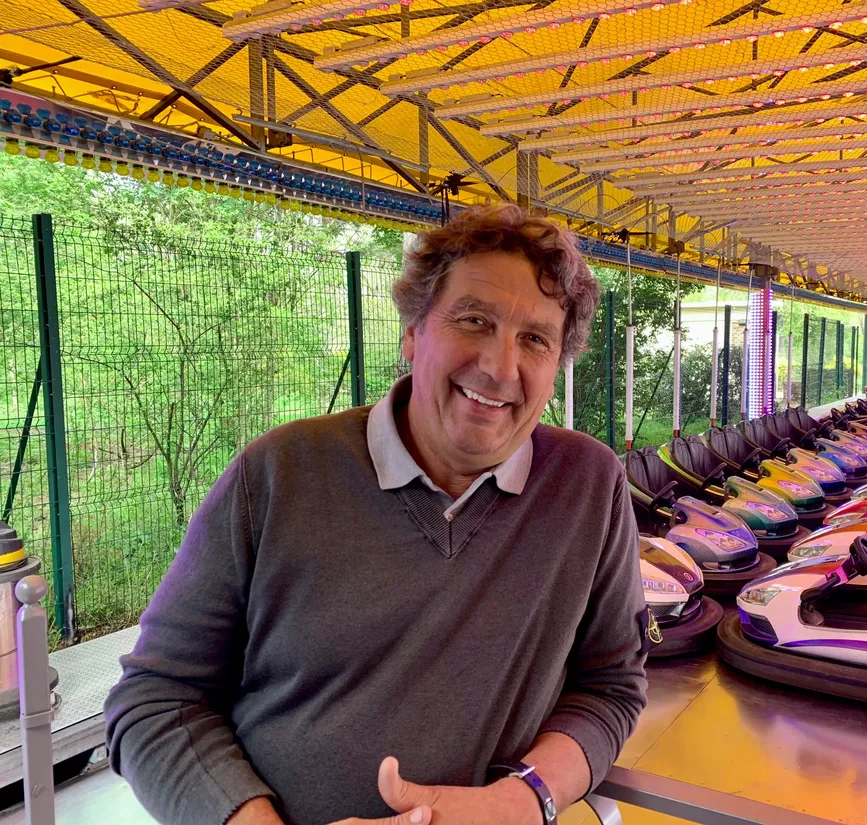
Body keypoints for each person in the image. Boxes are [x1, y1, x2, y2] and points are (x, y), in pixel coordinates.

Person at [104, 205, 650, 825]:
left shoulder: (586, 485)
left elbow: (610, 686)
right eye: (474, 320)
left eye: (535, 339)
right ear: (413, 333)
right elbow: (155, 698)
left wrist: (524, 800)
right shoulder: (279, 474)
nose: (501, 368)